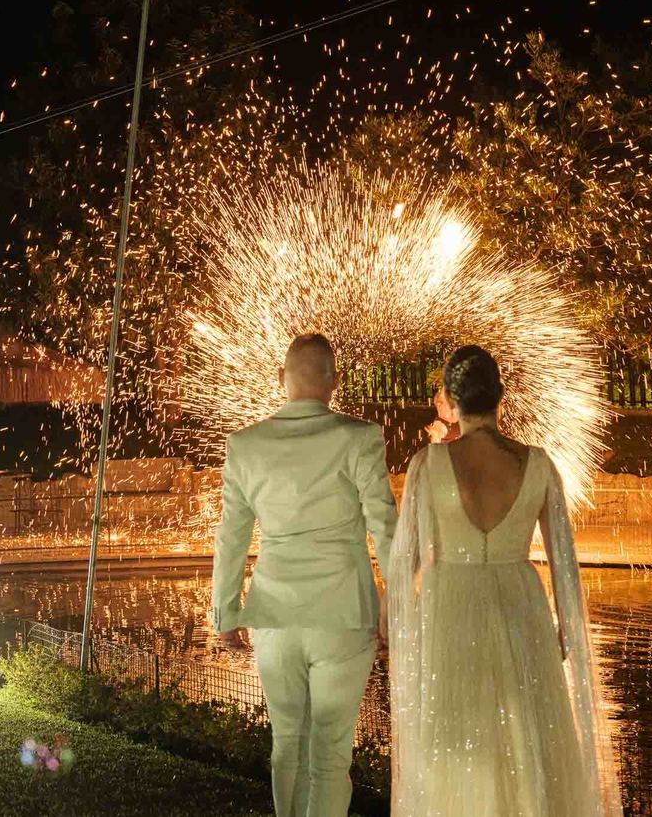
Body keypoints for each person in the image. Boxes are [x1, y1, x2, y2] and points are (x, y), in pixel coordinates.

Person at [388, 345, 622, 816]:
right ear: (502, 397)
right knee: (524, 733)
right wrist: (566, 630)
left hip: (449, 608)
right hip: (521, 608)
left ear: (452, 401)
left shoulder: (425, 466)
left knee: (455, 736)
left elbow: (402, 563)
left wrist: (400, 628)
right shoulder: (539, 465)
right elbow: (564, 564)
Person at [211, 333, 398, 817]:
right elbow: (384, 527)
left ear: (281, 379)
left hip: (274, 612)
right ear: (334, 383)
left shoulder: (245, 445)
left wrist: (226, 613)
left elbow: (231, 537)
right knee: (332, 756)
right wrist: (394, 607)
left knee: (287, 742)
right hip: (343, 613)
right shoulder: (359, 436)